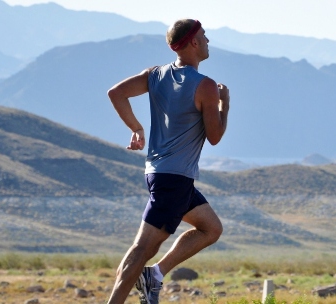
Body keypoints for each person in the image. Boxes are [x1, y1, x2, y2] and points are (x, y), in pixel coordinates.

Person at [106, 18, 229, 304]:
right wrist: (225, 105)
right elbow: (214, 136)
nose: (208, 41)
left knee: (211, 228)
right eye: (205, 36)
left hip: (164, 175)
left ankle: (155, 275)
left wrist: (136, 128)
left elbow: (116, 93)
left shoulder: (156, 74)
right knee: (142, 249)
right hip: (173, 180)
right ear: (194, 42)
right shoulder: (206, 86)